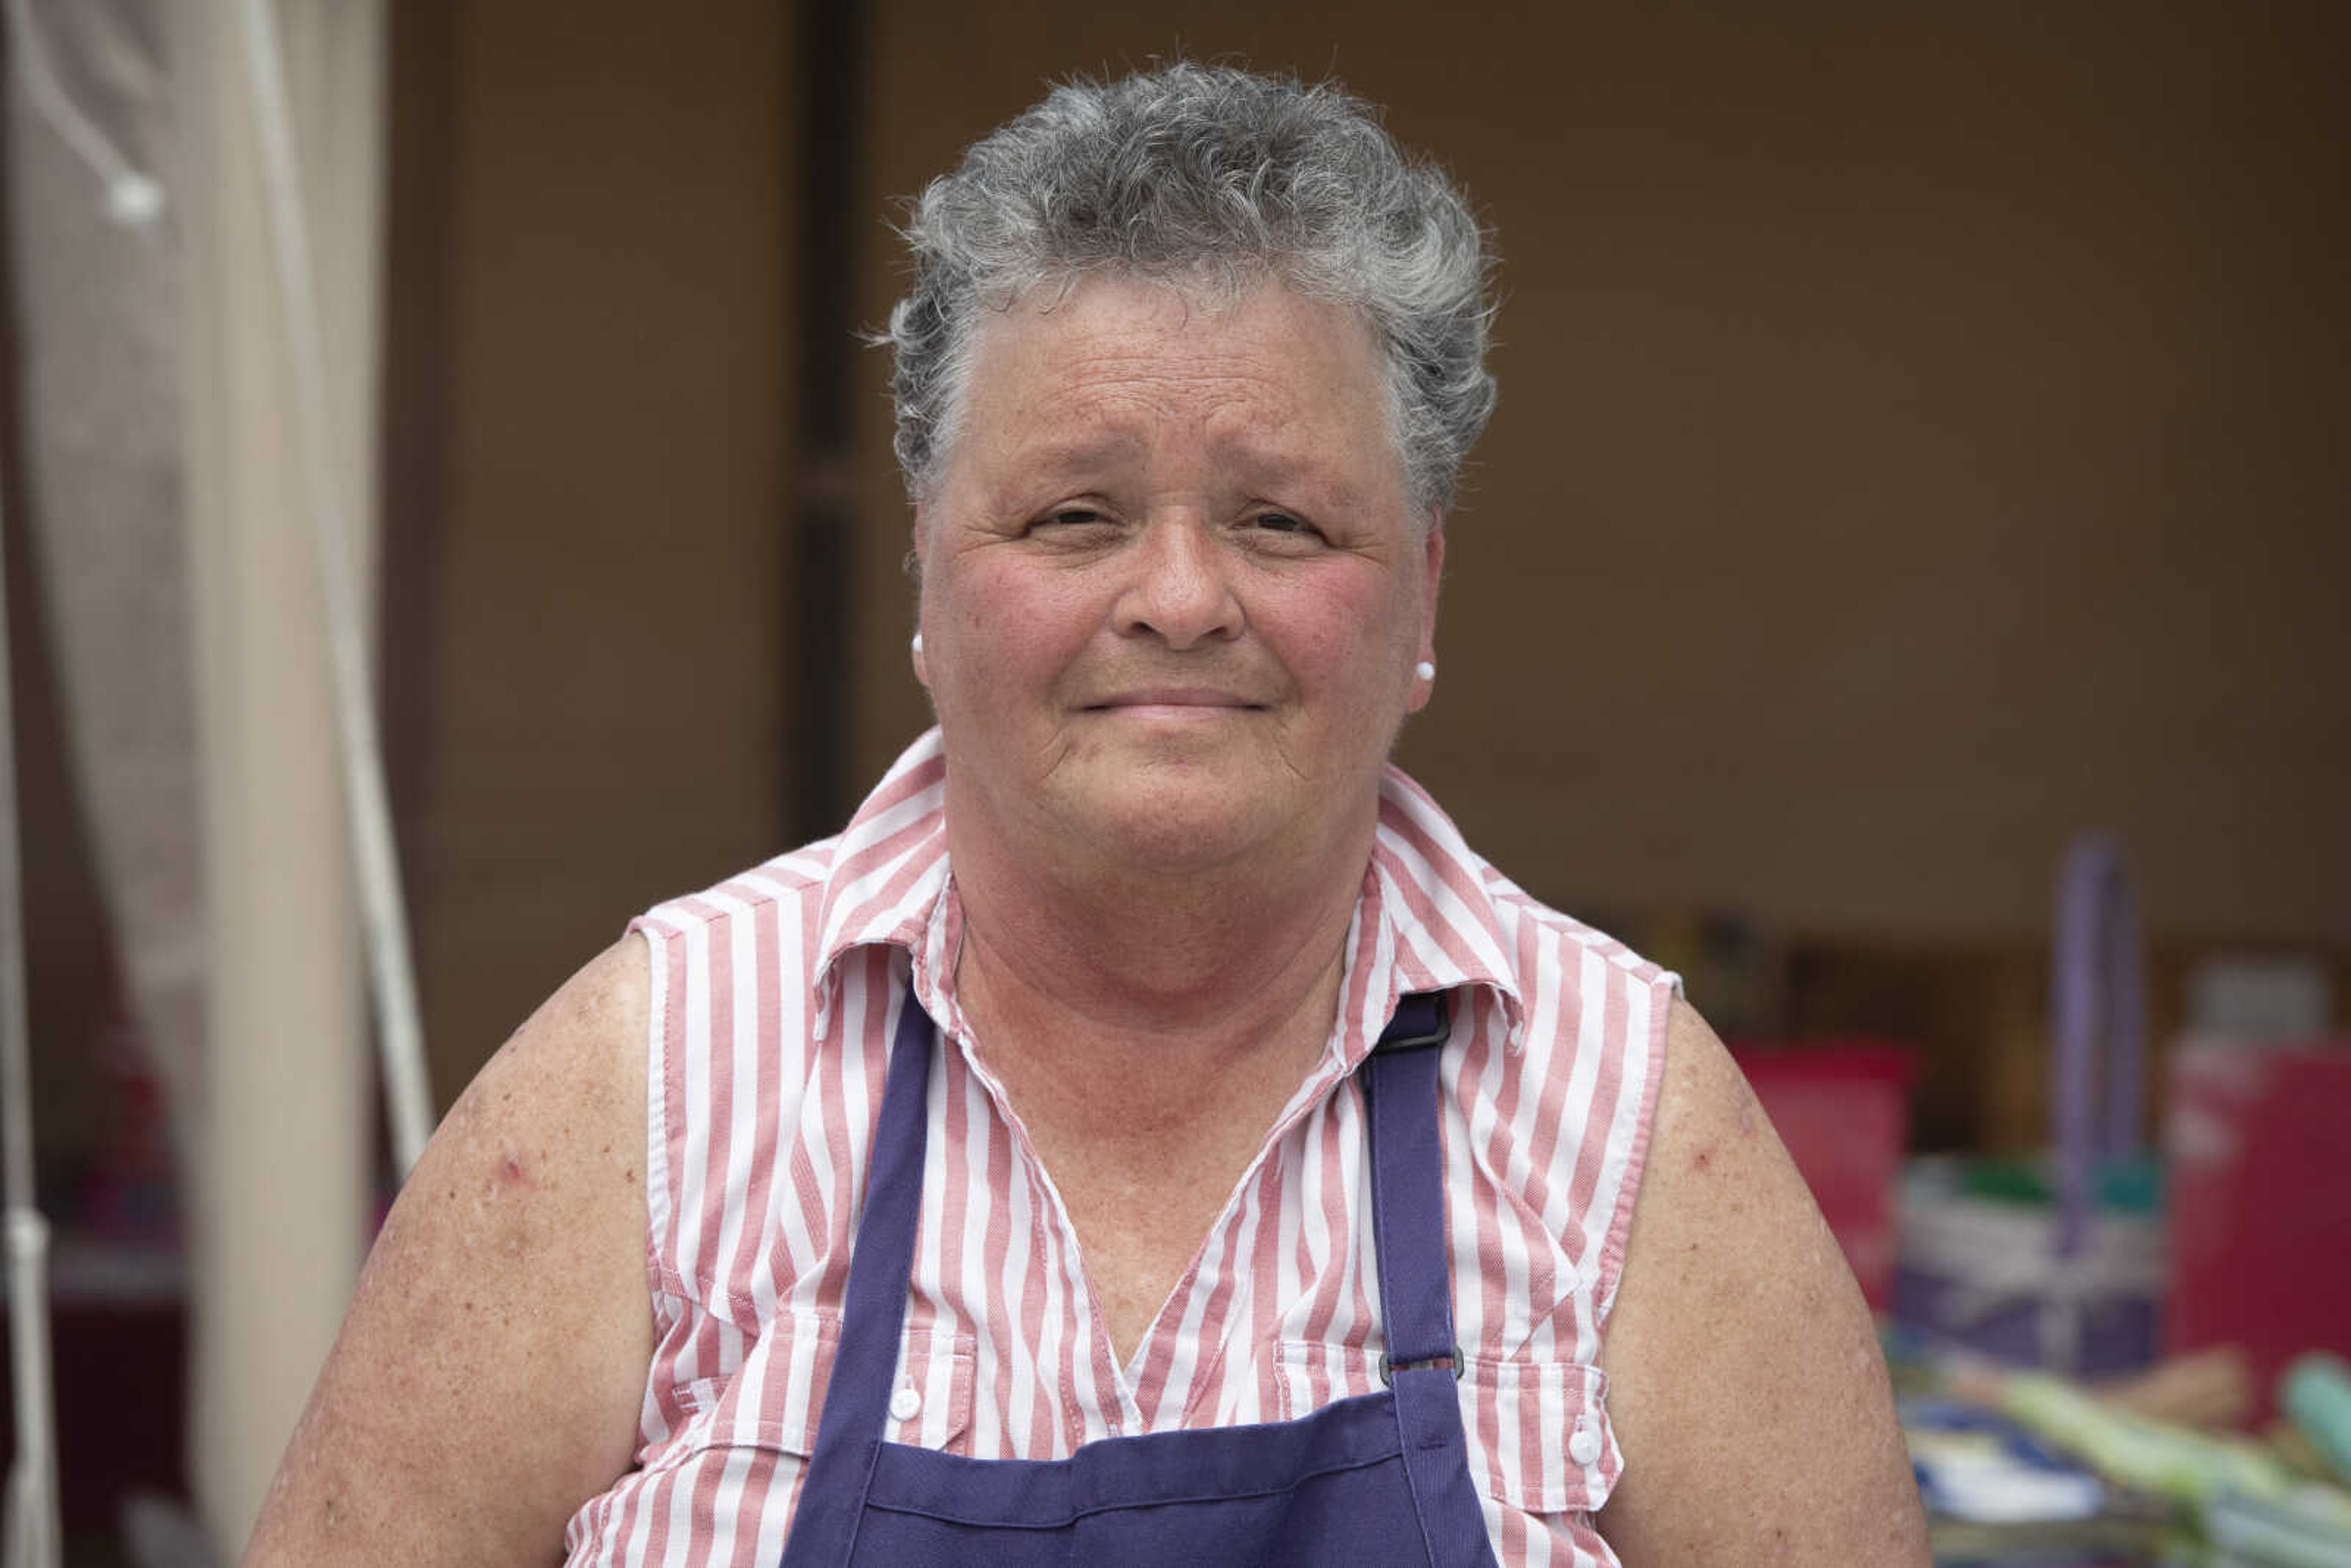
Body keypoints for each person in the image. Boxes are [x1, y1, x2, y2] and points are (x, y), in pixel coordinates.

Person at [246, 64, 1929, 1566]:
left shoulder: (1625, 1121)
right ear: (926, 571)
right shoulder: (655, 1086)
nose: (1182, 595)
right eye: (1071, 514)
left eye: (1282, 520)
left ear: (1421, 591)